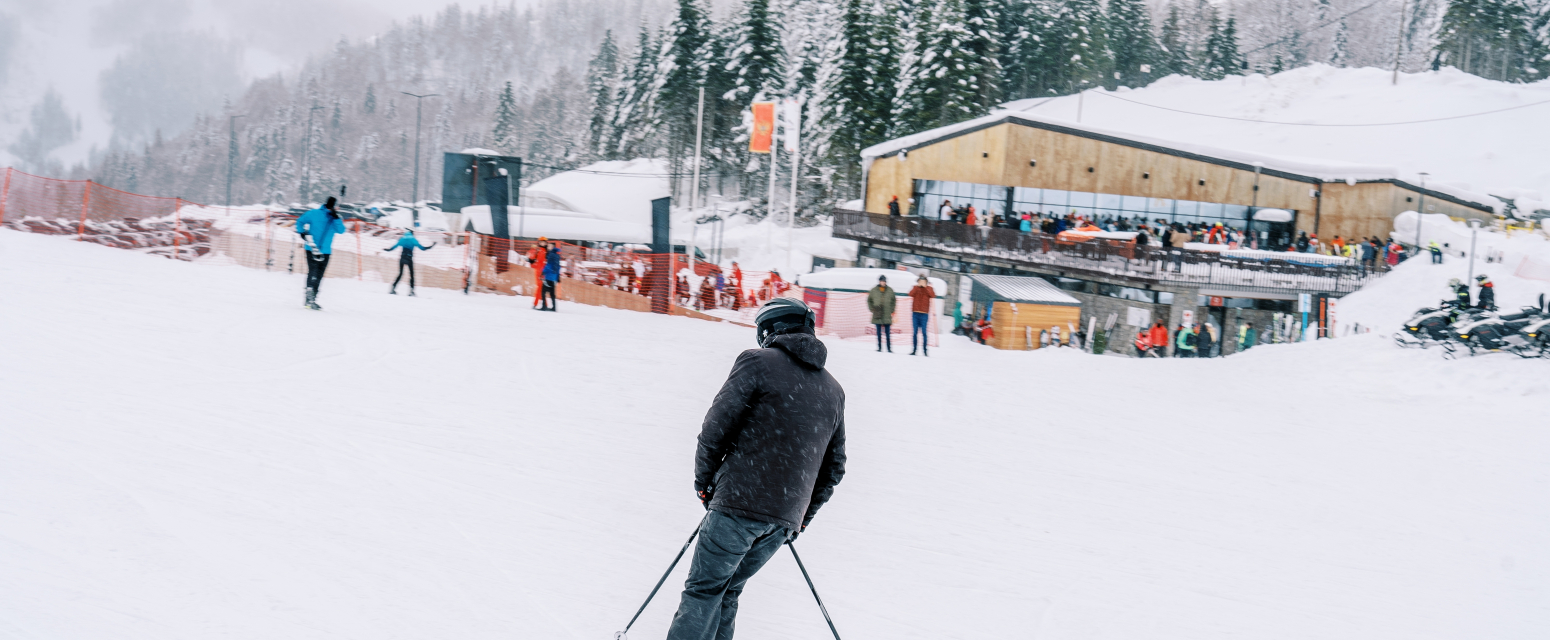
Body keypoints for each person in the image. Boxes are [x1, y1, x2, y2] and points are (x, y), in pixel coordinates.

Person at [669, 298, 846, 640]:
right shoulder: (833, 389)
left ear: (770, 330)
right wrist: (801, 516)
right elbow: (834, 467)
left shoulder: (757, 362)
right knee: (728, 590)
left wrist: (705, 483)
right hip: (783, 519)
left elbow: (715, 429)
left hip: (739, 503)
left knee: (705, 591)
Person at [294, 196, 347, 310]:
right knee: (313, 272)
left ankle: (312, 299)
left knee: (319, 275)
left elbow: (341, 230)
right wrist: (302, 233)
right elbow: (300, 221)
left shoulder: (335, 218)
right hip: (311, 248)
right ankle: (309, 295)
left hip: (326, 251)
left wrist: (336, 217)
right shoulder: (314, 213)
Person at [383, 229, 436, 296]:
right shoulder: (413, 240)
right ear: (412, 234)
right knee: (411, 275)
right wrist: (431, 246)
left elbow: (394, 247)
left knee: (400, 273)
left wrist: (387, 249)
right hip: (409, 258)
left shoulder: (402, 239)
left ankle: (393, 288)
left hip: (402, 258)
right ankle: (411, 291)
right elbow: (423, 248)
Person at [866, 275, 896, 352]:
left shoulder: (890, 290)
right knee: (878, 333)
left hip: (887, 313)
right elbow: (869, 300)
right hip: (877, 312)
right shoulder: (873, 290)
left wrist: (891, 310)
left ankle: (889, 348)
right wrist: (872, 308)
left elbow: (893, 301)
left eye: (884, 281)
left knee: (887, 333)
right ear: (879, 281)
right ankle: (879, 348)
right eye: (882, 281)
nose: (883, 282)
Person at [908, 275, 935, 356]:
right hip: (915, 313)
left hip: (924, 314)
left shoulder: (929, 288)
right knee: (915, 332)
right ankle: (914, 350)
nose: (921, 283)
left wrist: (926, 287)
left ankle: (925, 351)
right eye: (920, 281)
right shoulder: (915, 288)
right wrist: (917, 287)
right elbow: (910, 294)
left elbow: (933, 295)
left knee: (924, 332)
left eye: (923, 281)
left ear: (926, 282)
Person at [527, 238, 549, 308]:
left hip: (543, 272)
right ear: (539, 243)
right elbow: (532, 261)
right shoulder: (538, 250)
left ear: (546, 243)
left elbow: (548, 262)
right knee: (540, 287)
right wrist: (530, 260)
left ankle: (536, 304)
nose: (542, 243)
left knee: (540, 287)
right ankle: (543, 304)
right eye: (541, 242)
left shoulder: (547, 252)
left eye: (543, 242)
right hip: (538, 271)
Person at [539, 242, 560, 311]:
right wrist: (557, 277)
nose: (548, 247)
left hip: (548, 277)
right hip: (553, 278)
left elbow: (548, 266)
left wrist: (543, 272)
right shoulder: (557, 255)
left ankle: (543, 306)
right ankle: (554, 307)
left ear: (552, 247)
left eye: (549, 246)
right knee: (552, 293)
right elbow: (558, 267)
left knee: (543, 292)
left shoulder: (551, 255)